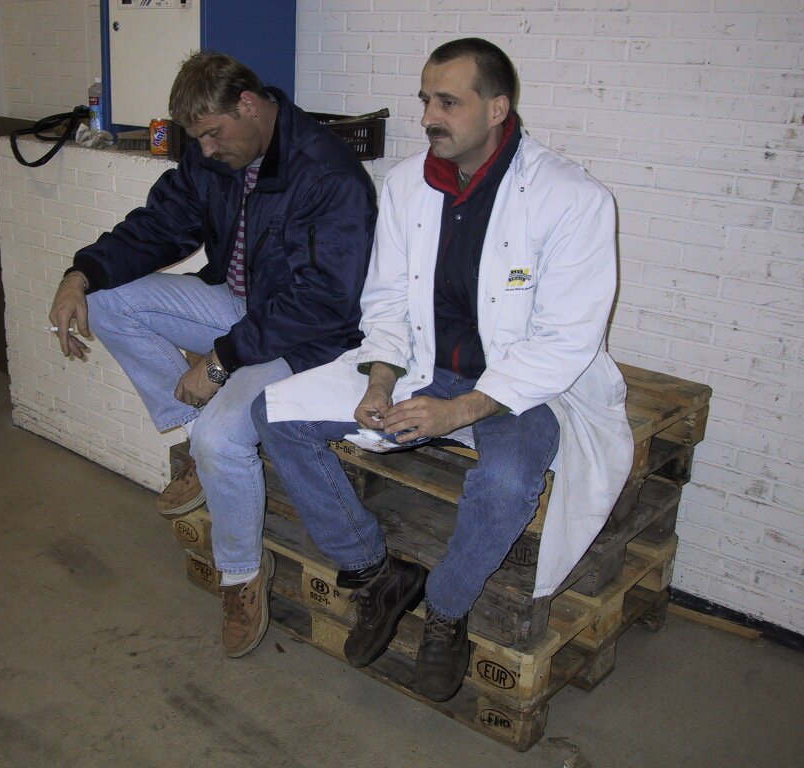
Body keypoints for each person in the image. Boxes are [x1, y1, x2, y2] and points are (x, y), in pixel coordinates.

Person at [253, 38, 633, 701]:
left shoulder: (572, 199)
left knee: (508, 480)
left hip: (527, 391)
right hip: (423, 366)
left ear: (497, 108)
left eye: (448, 102)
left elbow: (565, 342)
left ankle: (448, 610)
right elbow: (387, 302)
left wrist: (459, 411)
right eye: (426, 99)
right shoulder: (408, 185)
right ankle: (376, 573)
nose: (430, 116)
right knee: (274, 414)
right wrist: (380, 379)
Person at [48, 52, 377, 658]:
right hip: (240, 309)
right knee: (108, 301)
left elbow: (325, 302)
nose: (203, 150)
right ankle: (195, 435)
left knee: (224, 437)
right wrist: (80, 272)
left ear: (248, 105)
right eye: (196, 138)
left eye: (212, 134)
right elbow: (159, 225)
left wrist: (223, 359)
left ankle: (241, 575)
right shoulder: (217, 156)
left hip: (305, 340)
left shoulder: (327, 174)